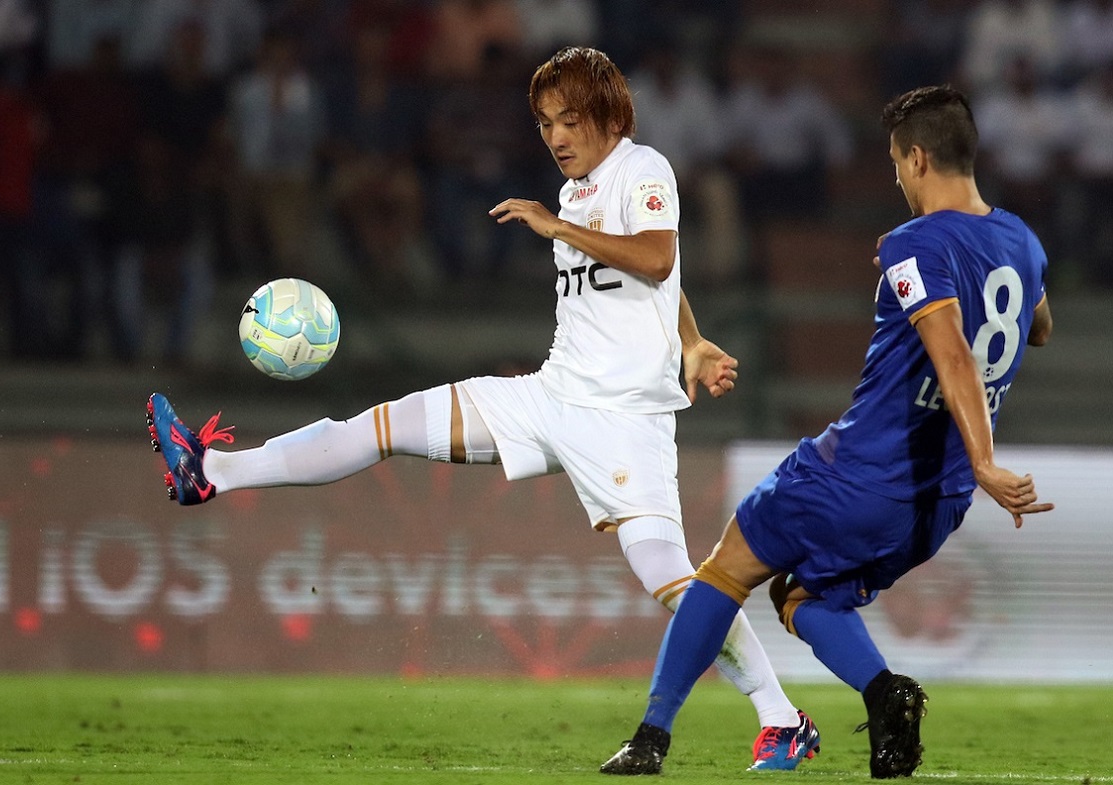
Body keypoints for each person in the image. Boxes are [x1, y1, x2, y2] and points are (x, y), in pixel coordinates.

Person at [147, 46, 818, 771]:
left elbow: (656, 257)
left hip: (623, 420)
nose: (555, 136)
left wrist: (561, 233)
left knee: (673, 581)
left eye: (567, 119)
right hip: (548, 395)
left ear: (606, 114)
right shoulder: (577, 192)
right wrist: (689, 340)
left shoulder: (642, 168)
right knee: (381, 426)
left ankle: (782, 718)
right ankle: (212, 471)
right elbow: (658, 275)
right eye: (544, 123)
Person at [600, 84, 1054, 778]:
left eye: (896, 164)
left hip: (858, 473)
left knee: (725, 571)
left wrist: (988, 459)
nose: (897, 179)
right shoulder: (1021, 240)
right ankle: (886, 694)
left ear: (918, 158)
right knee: (803, 596)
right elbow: (1038, 326)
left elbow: (953, 354)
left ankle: (650, 737)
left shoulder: (914, 242)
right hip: (939, 501)